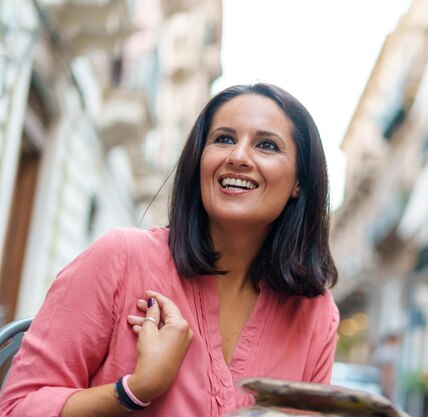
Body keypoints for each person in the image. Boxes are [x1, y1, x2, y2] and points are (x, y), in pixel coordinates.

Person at [0, 83, 340, 416]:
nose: (238, 157)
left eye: (266, 145)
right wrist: (135, 389)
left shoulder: (315, 315)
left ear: (299, 181)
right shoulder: (121, 258)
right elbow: (15, 408)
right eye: (223, 139)